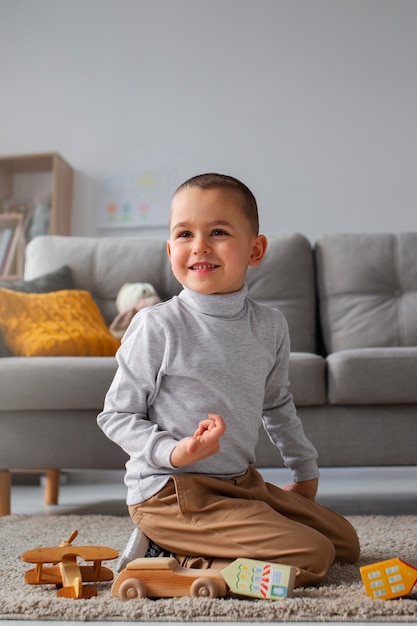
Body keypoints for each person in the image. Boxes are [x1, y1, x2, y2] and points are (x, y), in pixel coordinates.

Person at [97, 173, 360, 587]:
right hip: (171, 493)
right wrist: (174, 451)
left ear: (255, 249)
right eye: (185, 234)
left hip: (239, 484)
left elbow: (276, 404)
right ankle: (184, 564)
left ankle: (189, 544)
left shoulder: (269, 325)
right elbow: (116, 415)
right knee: (314, 555)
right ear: (170, 251)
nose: (199, 245)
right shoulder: (158, 325)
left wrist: (303, 466)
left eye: (218, 231)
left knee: (345, 542)